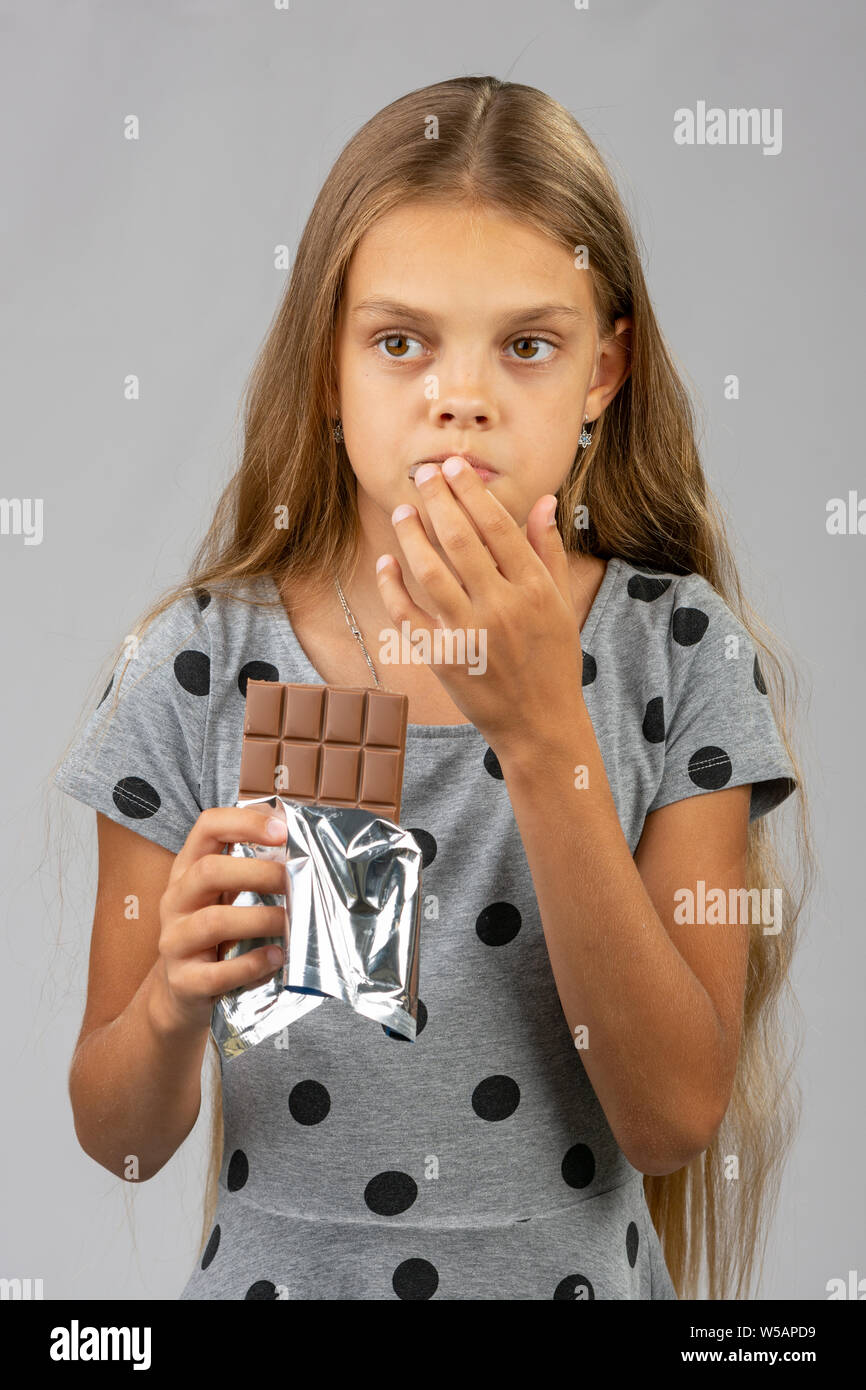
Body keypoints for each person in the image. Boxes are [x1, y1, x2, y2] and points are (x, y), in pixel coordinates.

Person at [53, 75, 811, 1301]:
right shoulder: (197, 665)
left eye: (527, 344)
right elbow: (123, 1140)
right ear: (326, 369)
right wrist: (168, 1004)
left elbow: (672, 1118)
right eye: (399, 341)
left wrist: (539, 727)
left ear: (601, 375)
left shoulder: (679, 652)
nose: (458, 396)